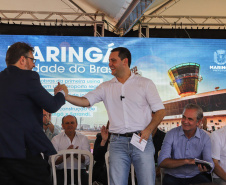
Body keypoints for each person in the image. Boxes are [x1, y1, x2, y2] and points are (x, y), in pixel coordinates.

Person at [58, 47, 165, 185]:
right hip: (117, 142)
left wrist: (149, 130)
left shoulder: (145, 83)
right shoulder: (105, 87)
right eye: (109, 61)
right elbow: (85, 101)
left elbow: (160, 111)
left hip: (141, 140)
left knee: (147, 182)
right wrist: (65, 96)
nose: (110, 64)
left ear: (125, 61)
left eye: (113, 60)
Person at [0, 42, 67, 185]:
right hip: (23, 152)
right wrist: (61, 93)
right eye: (32, 60)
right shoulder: (28, 77)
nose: (34, 65)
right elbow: (52, 105)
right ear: (22, 59)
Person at [158, 103, 214, 185]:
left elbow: (209, 162)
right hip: (173, 177)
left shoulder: (205, 137)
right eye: (184, 117)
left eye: (190, 119)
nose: (185, 121)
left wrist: (207, 168)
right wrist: (187, 161)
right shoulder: (171, 134)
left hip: (196, 176)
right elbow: (162, 162)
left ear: (198, 122)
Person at [51, 115, 90, 185]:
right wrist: (66, 154)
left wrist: (77, 155)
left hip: (80, 172)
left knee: (86, 179)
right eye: (67, 123)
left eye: (72, 123)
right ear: (62, 126)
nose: (70, 125)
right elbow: (52, 161)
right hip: (61, 172)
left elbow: (88, 160)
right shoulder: (56, 139)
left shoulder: (83, 138)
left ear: (76, 125)